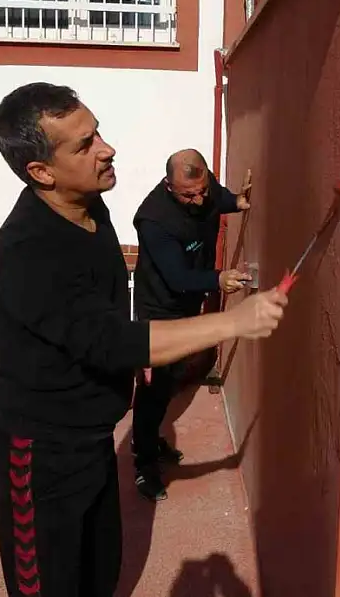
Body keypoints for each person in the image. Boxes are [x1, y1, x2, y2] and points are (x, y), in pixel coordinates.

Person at [0, 82, 288, 597]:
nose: (107, 147)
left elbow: (101, 323)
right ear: (41, 172)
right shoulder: (27, 250)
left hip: (92, 439)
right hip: (39, 454)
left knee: (101, 574)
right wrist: (234, 322)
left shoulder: (91, 212)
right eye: (84, 144)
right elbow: (109, 340)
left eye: (97, 131)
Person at [129, 148, 252, 501]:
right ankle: (143, 463)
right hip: (160, 312)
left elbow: (217, 199)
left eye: (202, 190)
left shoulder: (203, 187)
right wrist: (218, 279)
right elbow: (178, 276)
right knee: (153, 388)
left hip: (185, 306)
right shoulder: (154, 220)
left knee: (170, 382)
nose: (198, 200)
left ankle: (150, 438)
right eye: (188, 195)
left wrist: (237, 200)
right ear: (169, 186)